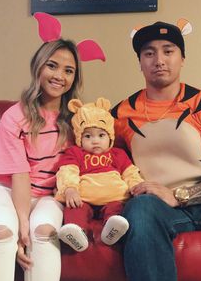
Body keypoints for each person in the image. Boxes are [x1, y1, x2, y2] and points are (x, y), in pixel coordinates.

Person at [0, 12, 105, 281]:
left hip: (50, 196)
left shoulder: (75, 119)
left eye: (69, 70)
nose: (60, 76)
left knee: (44, 233)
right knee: (1, 234)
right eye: (53, 66)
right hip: (8, 190)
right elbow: (18, 173)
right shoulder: (15, 115)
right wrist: (20, 224)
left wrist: (32, 228)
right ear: (39, 67)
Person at [111, 19, 201, 281]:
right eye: (149, 53)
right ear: (140, 62)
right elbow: (108, 166)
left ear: (182, 57)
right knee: (138, 212)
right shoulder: (120, 114)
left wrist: (181, 195)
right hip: (156, 207)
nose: (159, 60)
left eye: (169, 51)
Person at [55, 97, 143, 251]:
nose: (95, 141)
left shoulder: (118, 153)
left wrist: (136, 186)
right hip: (83, 199)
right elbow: (68, 171)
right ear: (79, 138)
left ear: (110, 137)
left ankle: (112, 230)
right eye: (88, 136)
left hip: (113, 198)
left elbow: (130, 173)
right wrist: (69, 189)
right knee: (74, 209)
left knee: (116, 209)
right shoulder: (75, 152)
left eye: (101, 135)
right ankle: (77, 234)